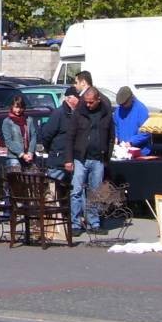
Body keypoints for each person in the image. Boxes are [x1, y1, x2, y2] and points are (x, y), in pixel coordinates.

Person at [66, 75, 114, 232]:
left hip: (98, 158)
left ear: (98, 99)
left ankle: (94, 222)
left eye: (91, 102)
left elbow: (111, 137)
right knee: (76, 191)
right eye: (86, 102)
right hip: (81, 158)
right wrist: (69, 159)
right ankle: (75, 223)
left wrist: (107, 156)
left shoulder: (106, 113)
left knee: (95, 192)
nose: (88, 105)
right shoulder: (79, 112)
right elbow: (70, 136)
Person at [39, 87, 80, 183]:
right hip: (57, 162)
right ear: (68, 98)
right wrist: (54, 151)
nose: (80, 99)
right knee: (52, 192)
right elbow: (46, 135)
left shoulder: (78, 114)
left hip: (74, 162)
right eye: (77, 97)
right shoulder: (58, 114)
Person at [1, 94, 36, 172]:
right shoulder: (7, 122)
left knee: (32, 181)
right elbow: (8, 141)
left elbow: (33, 136)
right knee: (16, 182)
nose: (18, 110)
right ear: (12, 107)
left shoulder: (29, 120)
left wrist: (30, 152)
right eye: (16, 107)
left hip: (29, 156)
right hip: (14, 157)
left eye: (20, 107)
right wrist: (22, 154)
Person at [113, 86, 151, 155]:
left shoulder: (141, 110)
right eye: (121, 104)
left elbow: (146, 132)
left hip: (140, 153)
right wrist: (116, 137)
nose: (123, 106)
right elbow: (116, 126)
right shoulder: (118, 110)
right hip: (123, 151)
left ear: (131, 98)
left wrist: (131, 142)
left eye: (124, 103)